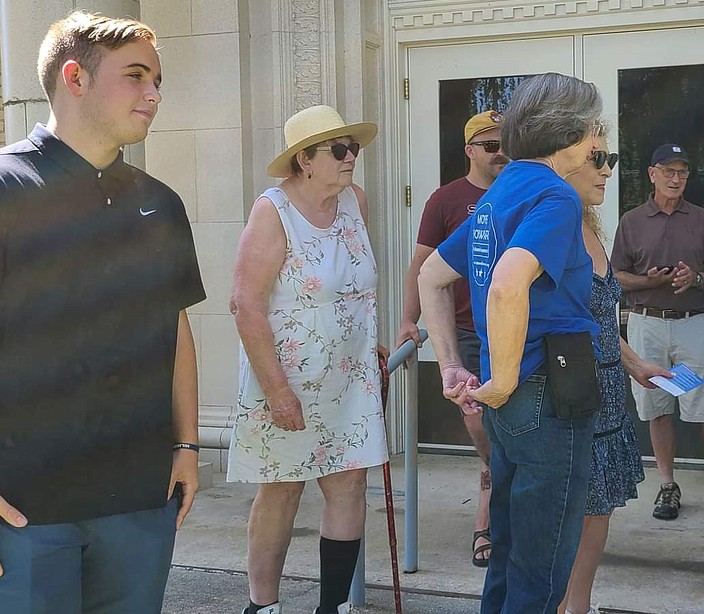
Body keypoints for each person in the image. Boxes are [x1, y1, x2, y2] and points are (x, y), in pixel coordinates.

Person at [0, 13, 204, 613]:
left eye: (158, 80)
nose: (154, 94)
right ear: (75, 78)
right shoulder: (6, 187)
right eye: (136, 75)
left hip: (140, 499)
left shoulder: (161, 204)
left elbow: (175, 330)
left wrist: (187, 446)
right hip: (26, 505)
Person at [419, 72, 603, 614]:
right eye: (594, 131)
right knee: (542, 570)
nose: (598, 145)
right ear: (570, 132)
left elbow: (432, 274)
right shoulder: (555, 196)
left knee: (509, 554)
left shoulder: (500, 191)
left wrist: (452, 366)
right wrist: (500, 377)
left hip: (513, 402)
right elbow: (507, 282)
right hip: (545, 391)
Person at [228, 105, 387, 614]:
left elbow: (355, 286)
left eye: (353, 148)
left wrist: (371, 338)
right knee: (281, 491)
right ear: (303, 160)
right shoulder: (272, 211)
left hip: (349, 377)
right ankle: (264, 605)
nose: (350, 159)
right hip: (287, 376)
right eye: (337, 150)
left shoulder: (354, 203)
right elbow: (245, 303)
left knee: (350, 481)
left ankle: (334, 607)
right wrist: (277, 391)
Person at [558, 130, 671, 614]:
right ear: (562, 161)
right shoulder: (553, 226)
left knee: (595, 512)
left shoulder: (589, 223)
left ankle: (576, 605)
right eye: (596, 158)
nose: (607, 169)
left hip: (604, 390)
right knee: (574, 516)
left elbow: (601, 320)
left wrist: (635, 364)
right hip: (570, 396)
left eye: (611, 158)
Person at [611, 144, 704, 524]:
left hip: (691, 323)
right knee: (657, 409)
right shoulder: (632, 220)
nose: (676, 179)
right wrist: (646, 280)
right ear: (652, 174)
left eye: (683, 172)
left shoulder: (702, 219)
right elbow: (617, 276)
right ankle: (668, 485)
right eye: (669, 172)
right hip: (646, 323)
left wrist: (697, 278)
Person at [397, 109, 509, 567]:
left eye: (505, 144)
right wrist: (408, 319)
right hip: (464, 329)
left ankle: (490, 518)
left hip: (511, 328)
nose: (499, 153)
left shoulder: (518, 191)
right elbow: (422, 264)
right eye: (489, 145)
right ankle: (492, 477)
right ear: (469, 151)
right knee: (479, 422)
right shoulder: (446, 200)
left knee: (509, 425)